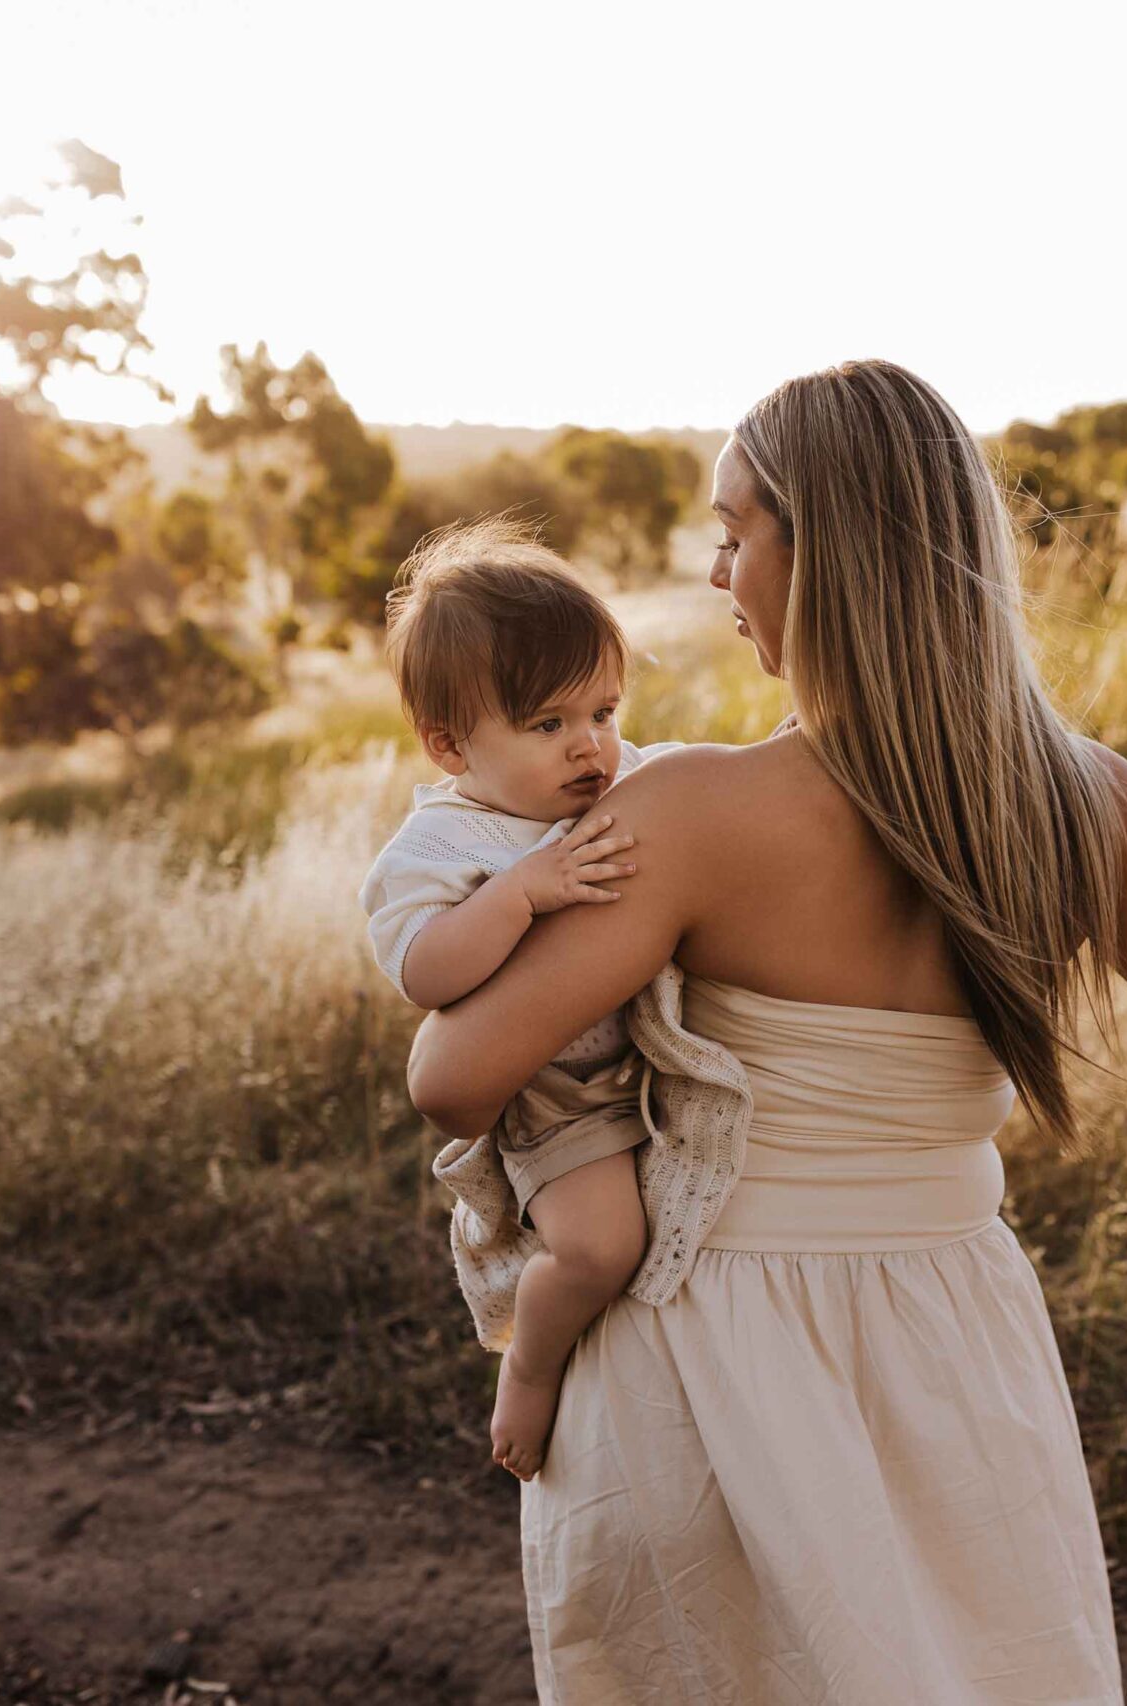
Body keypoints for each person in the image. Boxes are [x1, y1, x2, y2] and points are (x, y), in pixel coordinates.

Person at [408, 359, 1127, 1702]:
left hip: (711, 1363)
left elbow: (457, 1079)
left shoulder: (690, 811)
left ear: (832, 552)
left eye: (736, 534)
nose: (714, 572)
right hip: (952, 1344)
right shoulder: (1092, 806)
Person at [358, 519, 666, 1482]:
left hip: (654, 1061)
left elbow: (708, 788)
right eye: (548, 725)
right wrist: (520, 893)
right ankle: (528, 1368)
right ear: (450, 745)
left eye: (604, 713)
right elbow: (424, 970)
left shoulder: (620, 784)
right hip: (559, 1099)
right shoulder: (446, 848)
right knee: (602, 1248)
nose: (590, 748)